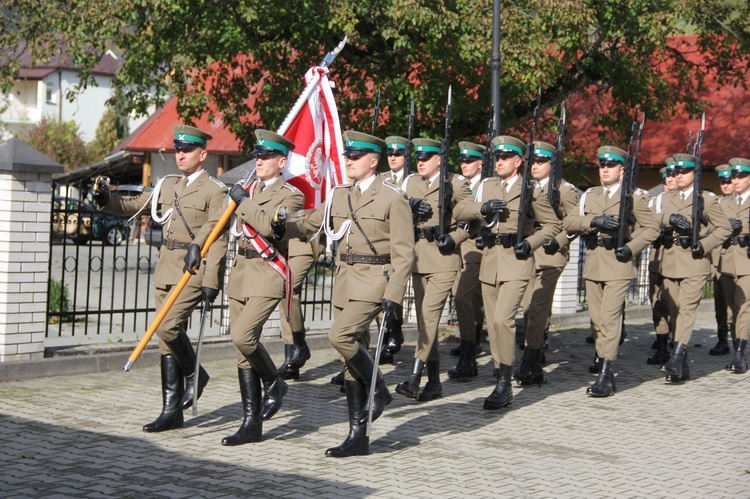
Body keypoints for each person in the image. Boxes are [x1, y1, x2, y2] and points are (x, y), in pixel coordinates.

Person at [284, 130, 415, 457]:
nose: (349, 161)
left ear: (373, 162)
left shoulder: (391, 197)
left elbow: (404, 251)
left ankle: (380, 389)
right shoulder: (340, 194)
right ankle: (359, 436)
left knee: (340, 337)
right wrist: (275, 224)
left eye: (356, 157)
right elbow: (311, 223)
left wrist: (395, 293)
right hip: (345, 281)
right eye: (348, 156)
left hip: (374, 280)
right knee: (349, 360)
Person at [92, 124, 227, 431]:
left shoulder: (214, 190)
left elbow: (218, 236)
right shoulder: (167, 185)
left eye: (187, 150)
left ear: (202, 154)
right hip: (166, 267)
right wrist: (104, 198)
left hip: (193, 269)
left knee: (167, 328)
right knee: (166, 341)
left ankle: (196, 375)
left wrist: (211, 282)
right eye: (178, 150)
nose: (180, 154)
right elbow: (134, 205)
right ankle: (171, 411)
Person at [454, 135, 561, 409]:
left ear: (518, 161)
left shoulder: (531, 191)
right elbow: (459, 210)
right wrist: (482, 208)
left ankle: (504, 384)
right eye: (497, 157)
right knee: (493, 324)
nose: (499, 161)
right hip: (490, 260)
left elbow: (553, 225)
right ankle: (499, 376)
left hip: (516, 260)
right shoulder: (487, 186)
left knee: (503, 320)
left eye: (505, 158)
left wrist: (531, 242)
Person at [220, 129, 305, 446]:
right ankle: (250, 424)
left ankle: (274, 383)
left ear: (281, 161)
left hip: (267, 272)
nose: (260, 160)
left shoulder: (290, 194)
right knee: (243, 352)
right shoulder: (247, 188)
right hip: (241, 271)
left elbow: (270, 225)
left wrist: (242, 201)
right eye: (257, 155)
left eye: (267, 156)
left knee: (242, 336)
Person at [563, 145, 659, 396]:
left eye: (611, 166)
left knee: (609, 318)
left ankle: (606, 373)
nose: (605, 170)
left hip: (619, 263)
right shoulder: (590, 195)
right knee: (596, 320)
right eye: (602, 166)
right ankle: (604, 358)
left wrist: (631, 248)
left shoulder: (634, 197)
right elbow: (569, 222)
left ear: (622, 170)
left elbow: (651, 229)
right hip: (594, 262)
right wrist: (593, 221)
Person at [395, 137, 471, 402]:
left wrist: (456, 238)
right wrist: (409, 206)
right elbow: (396, 212)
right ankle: (435, 382)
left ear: (440, 159)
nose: (421, 162)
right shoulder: (410, 182)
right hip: (418, 259)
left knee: (428, 318)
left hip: (443, 258)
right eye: (418, 158)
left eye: (426, 158)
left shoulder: (456, 183)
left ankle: (415, 377)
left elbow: (471, 219)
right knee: (427, 324)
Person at [653, 153, 731, 383]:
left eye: (683, 172)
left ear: (695, 174)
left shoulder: (706, 199)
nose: (678, 176)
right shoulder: (666, 199)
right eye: (675, 172)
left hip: (694, 263)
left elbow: (724, 228)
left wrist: (703, 244)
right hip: (669, 263)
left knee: (686, 309)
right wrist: (668, 219)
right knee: (675, 312)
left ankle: (676, 357)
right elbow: (651, 219)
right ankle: (682, 364)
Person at [515, 141, 579, 385]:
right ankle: (536, 350)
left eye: (541, 162)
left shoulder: (564, 190)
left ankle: (530, 362)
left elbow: (575, 223)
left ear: (553, 164)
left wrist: (558, 240)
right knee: (528, 308)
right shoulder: (525, 187)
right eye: (533, 161)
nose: (535, 166)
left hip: (551, 255)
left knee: (537, 309)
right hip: (528, 252)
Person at [447, 141, 486, 379]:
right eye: (462, 160)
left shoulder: (487, 186)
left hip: (476, 248)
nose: (464, 164)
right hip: (459, 248)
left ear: (481, 163)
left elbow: (475, 223)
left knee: (462, 296)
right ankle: (471, 341)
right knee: (472, 300)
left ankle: (469, 354)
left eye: (469, 160)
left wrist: (455, 237)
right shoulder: (459, 185)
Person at [717, 157, 750, 374]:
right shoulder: (723, 203)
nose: (736, 181)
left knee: (744, 307)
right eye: (734, 176)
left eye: (741, 176)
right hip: (727, 259)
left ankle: (740, 355)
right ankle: (736, 349)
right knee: (730, 311)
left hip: (747, 261)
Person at [646, 161, 675, 365]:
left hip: (677, 260)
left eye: (674, 176)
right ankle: (662, 345)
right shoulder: (655, 201)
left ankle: (679, 344)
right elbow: (645, 221)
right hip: (657, 256)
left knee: (675, 304)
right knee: (657, 303)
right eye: (667, 178)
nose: (671, 180)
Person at [277, 237, 315, 380]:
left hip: (302, 245)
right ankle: (291, 363)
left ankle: (300, 346)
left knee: (288, 290)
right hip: (281, 247)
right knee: (285, 297)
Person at [708, 164, 734, 356]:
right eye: (722, 181)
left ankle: (739, 342)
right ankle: (722, 339)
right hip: (718, 259)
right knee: (720, 303)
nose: (725, 184)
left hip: (737, 260)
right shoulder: (714, 203)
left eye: (729, 181)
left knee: (736, 305)